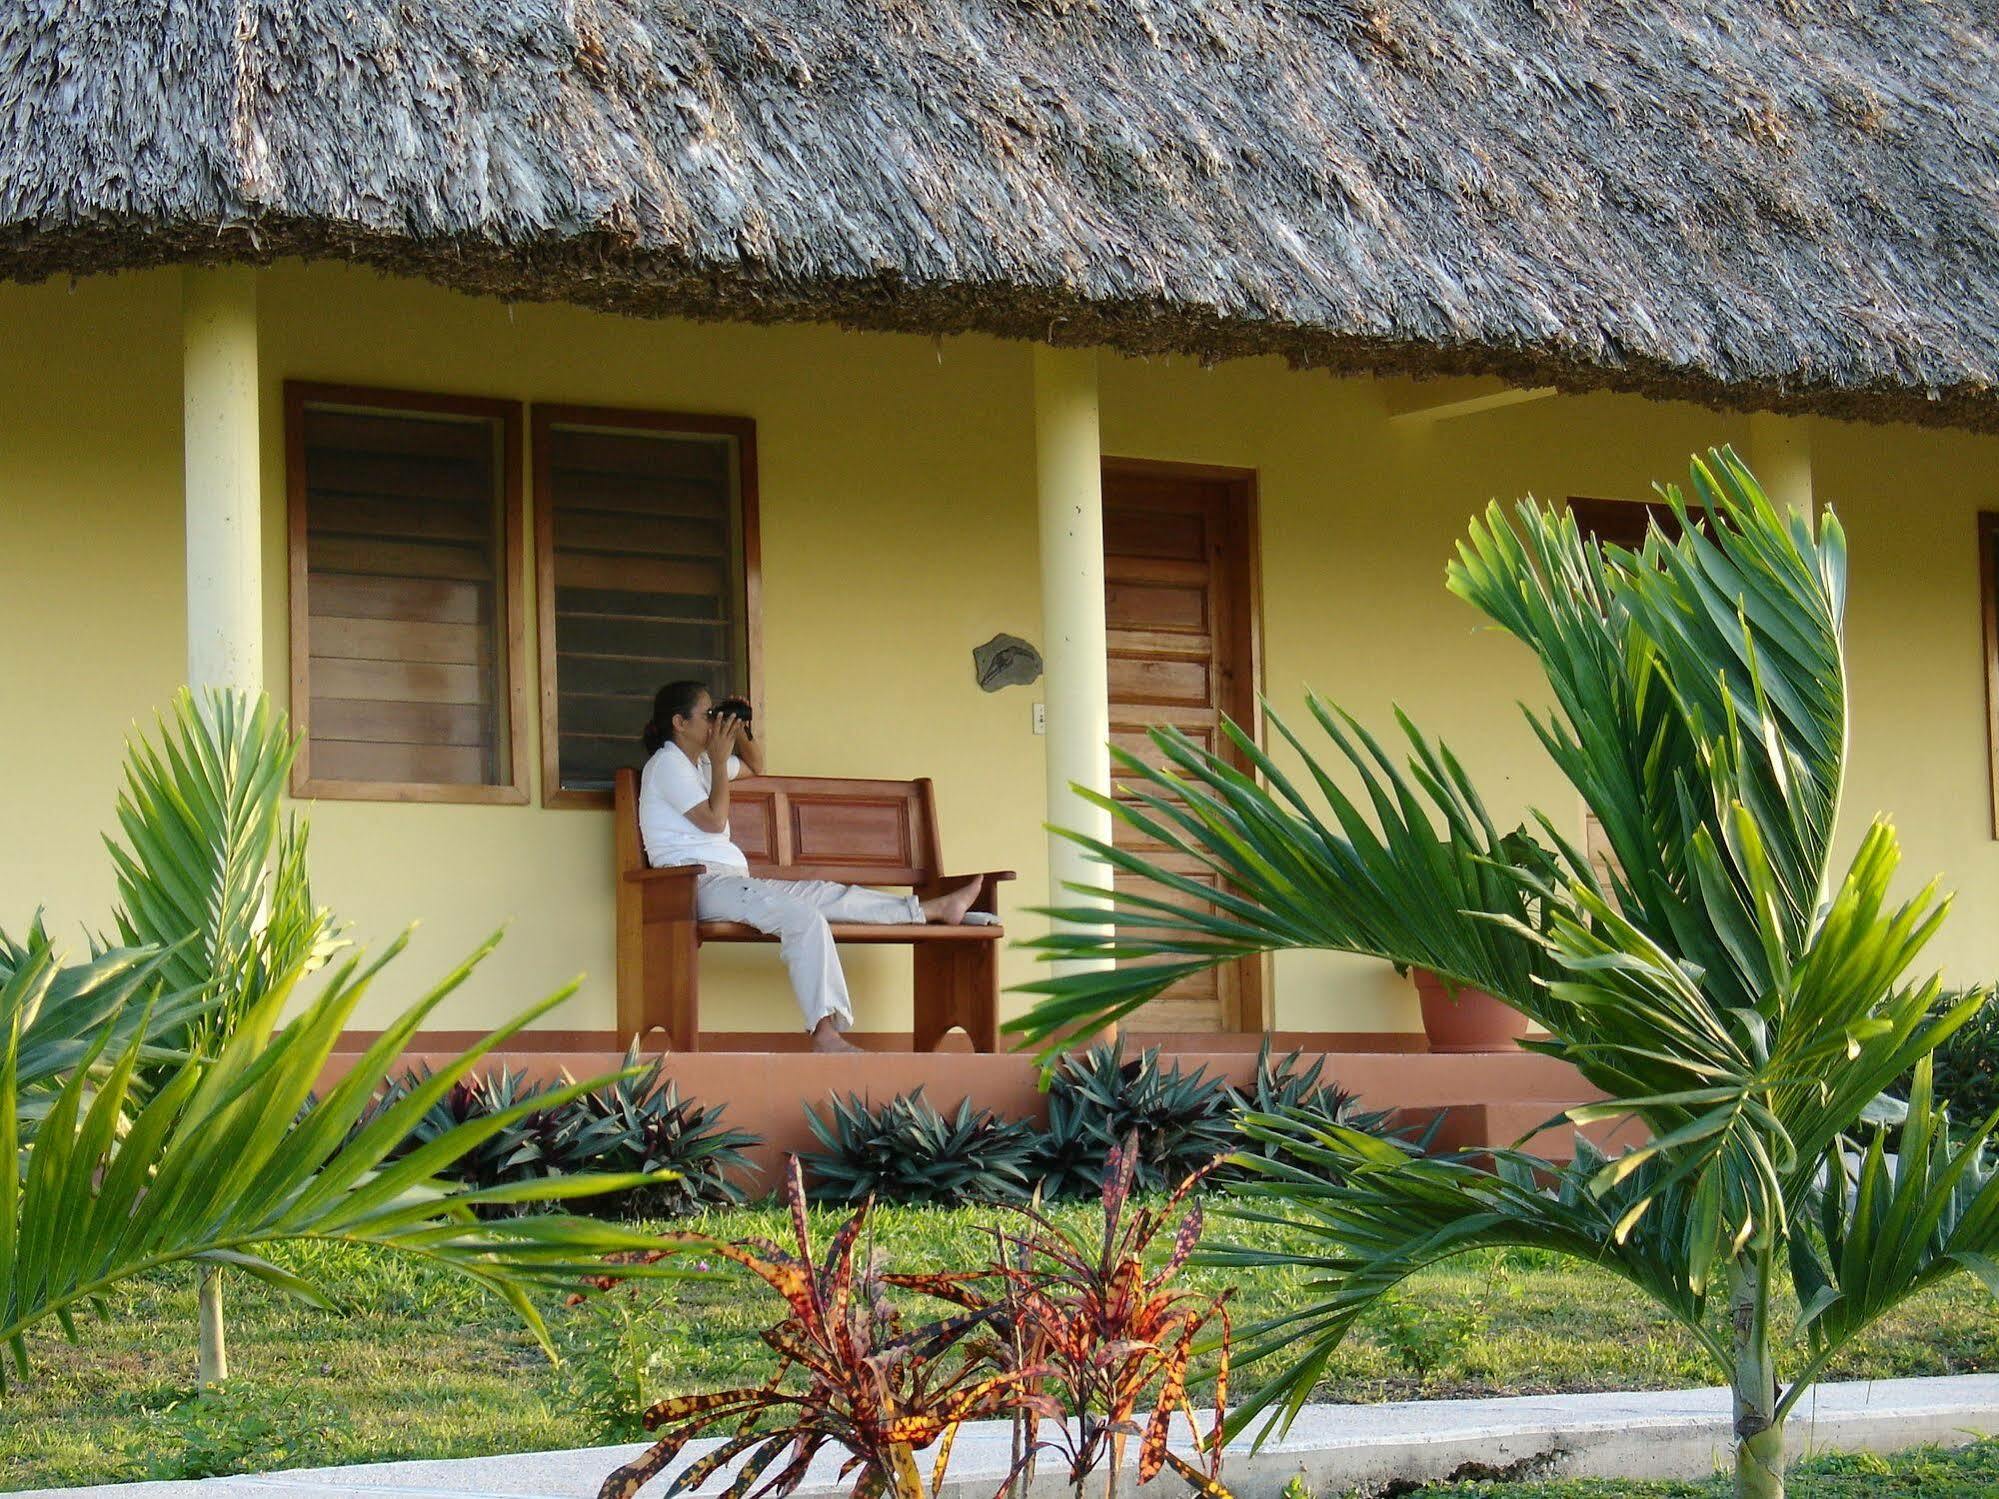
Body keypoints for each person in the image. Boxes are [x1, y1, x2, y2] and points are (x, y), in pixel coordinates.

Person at [636, 681, 984, 1052]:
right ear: (680, 722)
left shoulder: (700, 762)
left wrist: (742, 732)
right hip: (692, 885)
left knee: (828, 896)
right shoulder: (667, 764)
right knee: (803, 917)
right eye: (708, 715)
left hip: (731, 881)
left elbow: (757, 766)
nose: (714, 722)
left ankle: (932, 909)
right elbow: (713, 821)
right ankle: (824, 1034)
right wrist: (720, 762)